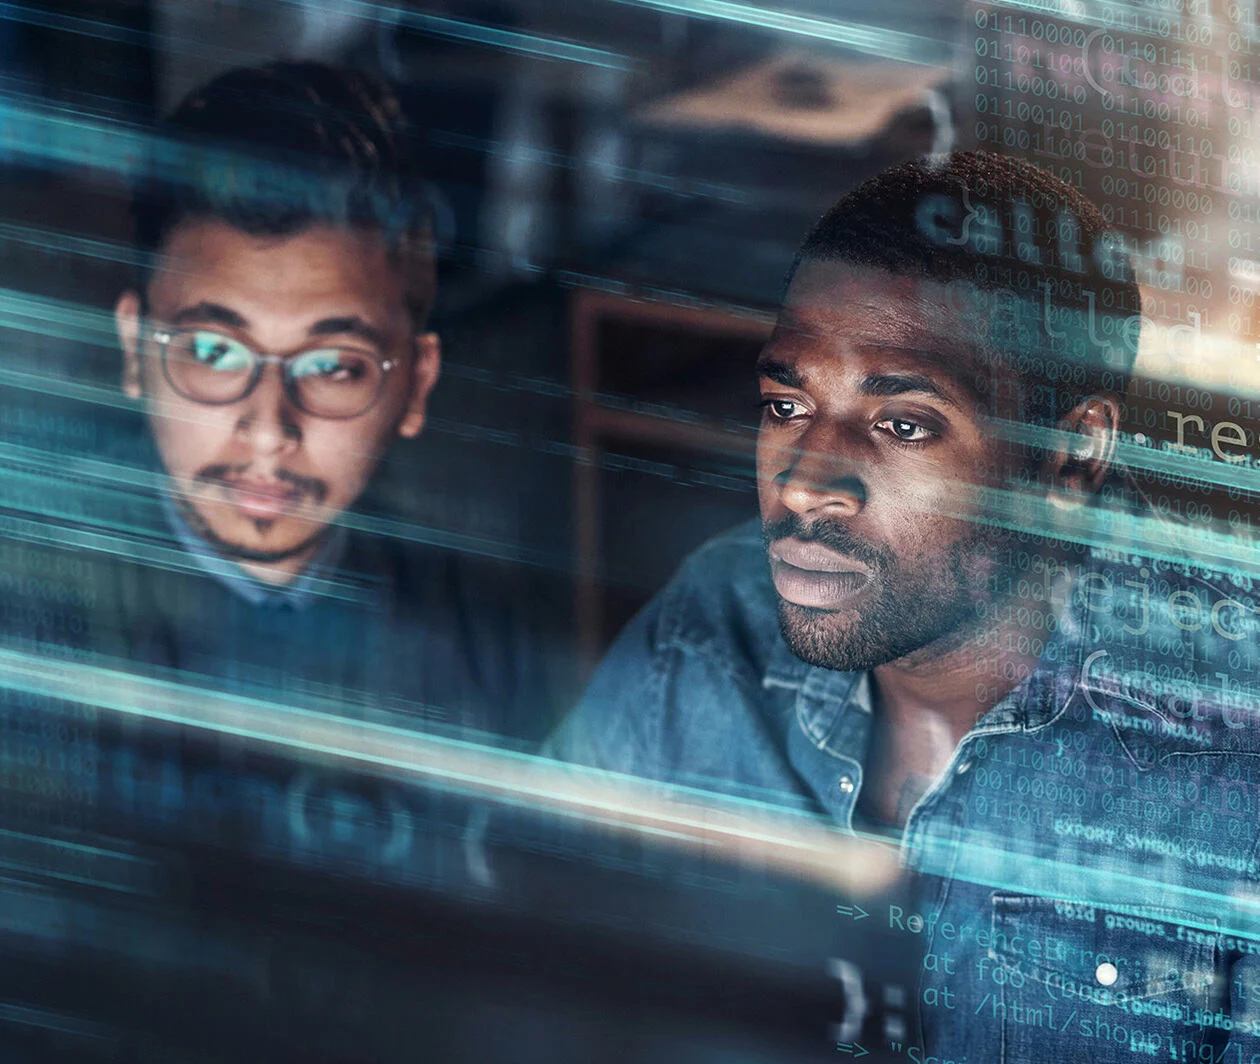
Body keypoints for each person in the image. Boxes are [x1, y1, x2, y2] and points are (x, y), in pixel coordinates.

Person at [549, 152, 1260, 1061]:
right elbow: (528, 953)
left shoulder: (1224, 748)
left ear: (1071, 456)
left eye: (904, 425)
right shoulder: (713, 626)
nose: (807, 485)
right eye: (786, 403)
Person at [71, 60, 569, 744]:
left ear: (415, 385)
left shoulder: (481, 642)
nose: (269, 429)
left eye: (333, 366)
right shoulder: (31, 617)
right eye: (215, 352)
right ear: (136, 350)